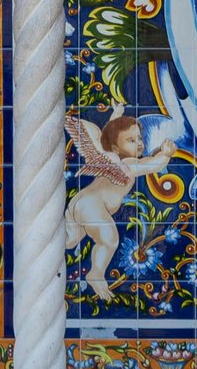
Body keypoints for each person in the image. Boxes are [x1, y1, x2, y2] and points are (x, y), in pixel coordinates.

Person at [62, 110, 176, 297]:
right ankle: (96, 274)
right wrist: (165, 154)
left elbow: (105, 137)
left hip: (81, 203)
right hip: (92, 205)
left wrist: (115, 115)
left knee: (69, 241)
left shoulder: (108, 155)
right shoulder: (128, 165)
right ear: (115, 148)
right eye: (131, 140)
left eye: (139, 138)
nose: (139, 143)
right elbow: (152, 164)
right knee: (109, 239)